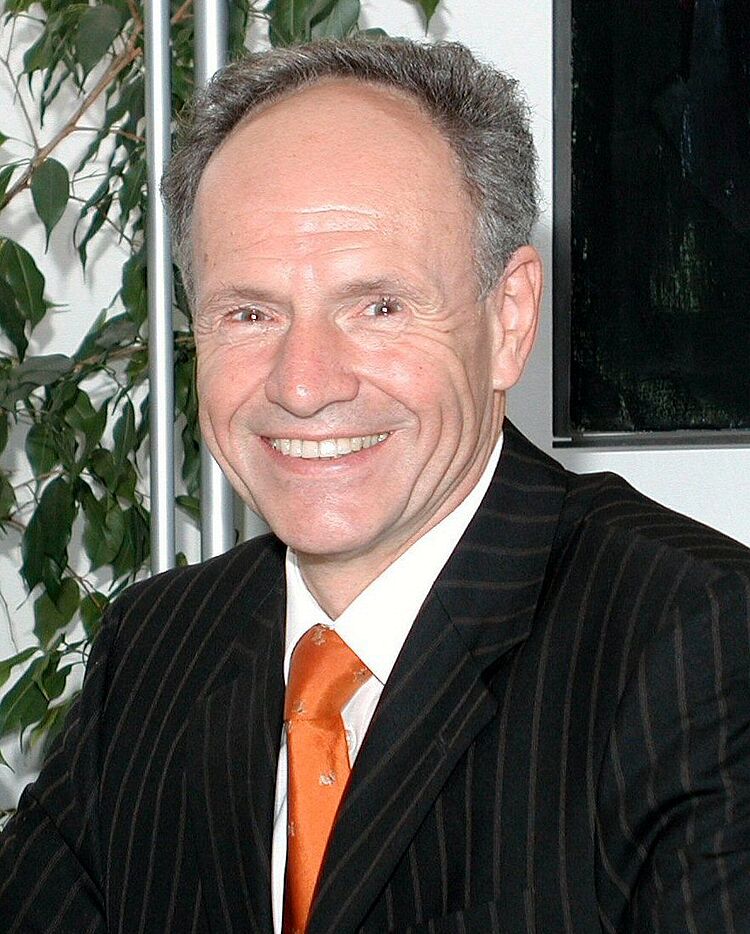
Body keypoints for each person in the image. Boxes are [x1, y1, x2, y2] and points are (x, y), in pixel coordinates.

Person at [1, 37, 749, 934]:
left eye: (378, 307)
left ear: (509, 318)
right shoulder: (154, 648)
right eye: (250, 313)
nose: (303, 384)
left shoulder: (699, 642)